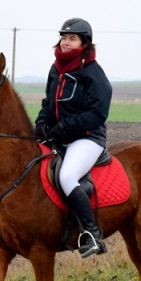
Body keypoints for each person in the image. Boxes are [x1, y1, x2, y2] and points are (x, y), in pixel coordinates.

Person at [34, 18, 113, 257]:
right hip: (60, 136)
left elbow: (98, 114)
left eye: (72, 38)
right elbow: (49, 103)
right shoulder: (55, 69)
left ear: (84, 43)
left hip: (87, 139)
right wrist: (41, 123)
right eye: (64, 38)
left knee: (67, 176)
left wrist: (64, 127)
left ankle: (91, 234)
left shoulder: (93, 73)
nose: (66, 42)